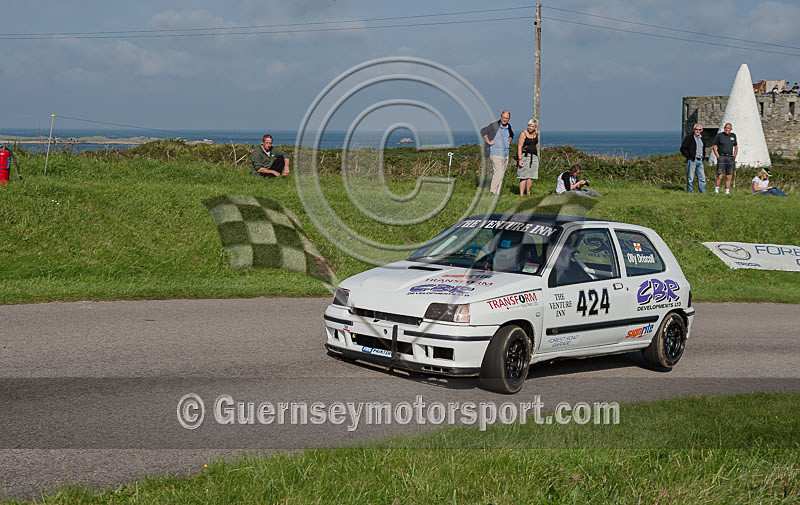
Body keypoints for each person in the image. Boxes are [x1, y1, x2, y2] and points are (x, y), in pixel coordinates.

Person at [480, 110, 514, 195]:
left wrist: (508, 142)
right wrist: (488, 141)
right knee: (498, 173)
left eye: (506, 118)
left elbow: (511, 135)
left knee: (502, 174)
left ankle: (497, 193)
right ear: (500, 116)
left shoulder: (509, 126)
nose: (504, 119)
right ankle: (492, 191)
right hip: (495, 153)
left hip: (506, 154)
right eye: (503, 117)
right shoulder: (494, 125)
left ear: (509, 119)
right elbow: (483, 131)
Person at [680, 124, 707, 193]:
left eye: (699, 129)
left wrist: (703, 157)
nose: (698, 131)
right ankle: (690, 191)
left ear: (701, 130)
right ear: (693, 130)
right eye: (696, 129)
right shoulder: (689, 138)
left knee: (702, 178)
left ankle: (703, 192)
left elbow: (703, 149)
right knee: (690, 178)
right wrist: (689, 157)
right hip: (692, 160)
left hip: (700, 161)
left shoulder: (702, 138)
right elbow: (683, 149)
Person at [516, 119, 539, 196]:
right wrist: (520, 159)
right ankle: (521, 195)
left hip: (534, 156)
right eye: (529, 126)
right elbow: (519, 147)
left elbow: (535, 144)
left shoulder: (536, 133)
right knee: (523, 176)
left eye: (532, 126)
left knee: (531, 176)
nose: (530, 127)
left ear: (535, 127)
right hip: (525, 156)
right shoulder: (523, 134)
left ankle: (528, 193)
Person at [712, 123, 737, 194]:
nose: (727, 129)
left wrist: (734, 155)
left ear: (731, 129)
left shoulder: (733, 136)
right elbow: (714, 146)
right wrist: (718, 156)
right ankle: (716, 190)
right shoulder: (719, 135)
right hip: (722, 157)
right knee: (720, 175)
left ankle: (727, 191)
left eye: (728, 128)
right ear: (724, 128)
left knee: (729, 176)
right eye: (726, 128)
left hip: (730, 157)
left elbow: (736, 146)